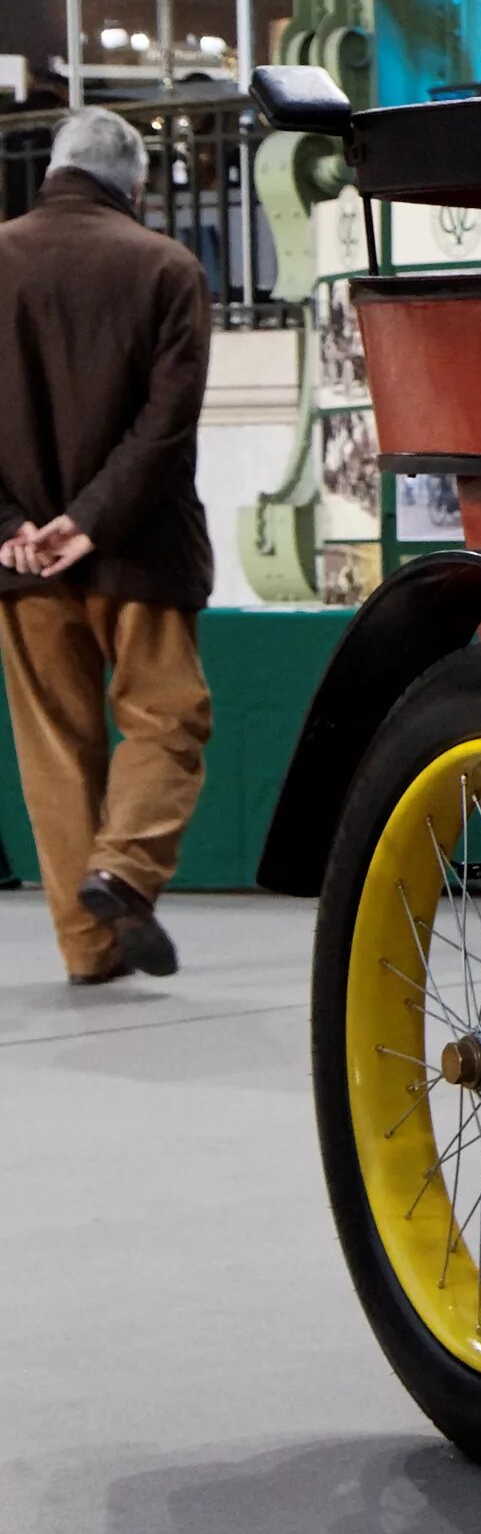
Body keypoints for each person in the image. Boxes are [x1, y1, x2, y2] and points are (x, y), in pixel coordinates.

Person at [0, 108, 213, 985]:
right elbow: (165, 428)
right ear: (135, 183)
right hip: (139, 554)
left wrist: (13, 529)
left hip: (21, 568)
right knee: (168, 722)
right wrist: (90, 520)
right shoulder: (166, 268)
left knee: (56, 749)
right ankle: (122, 871)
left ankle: (87, 950)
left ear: (53, 168)